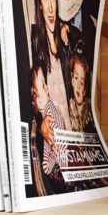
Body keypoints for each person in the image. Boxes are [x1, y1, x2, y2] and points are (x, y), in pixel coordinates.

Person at [30, 0, 72, 128]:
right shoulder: (35, 39)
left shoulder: (66, 35)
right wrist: (42, 124)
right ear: (39, 3)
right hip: (54, 136)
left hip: (71, 130)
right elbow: (34, 93)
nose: (50, 8)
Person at [29, 65, 68, 193]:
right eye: (43, 85)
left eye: (45, 83)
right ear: (39, 103)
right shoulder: (45, 119)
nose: (47, 87)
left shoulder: (51, 109)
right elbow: (47, 166)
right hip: (57, 169)